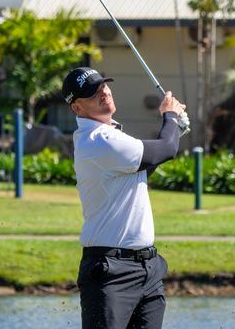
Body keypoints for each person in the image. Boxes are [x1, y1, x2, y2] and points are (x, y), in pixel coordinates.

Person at [62, 67, 187, 329]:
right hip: (110, 273)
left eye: (103, 85)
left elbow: (144, 166)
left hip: (148, 269)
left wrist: (175, 128)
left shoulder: (113, 136)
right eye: (92, 92)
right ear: (77, 108)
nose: (103, 92)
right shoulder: (98, 139)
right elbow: (163, 150)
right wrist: (171, 118)